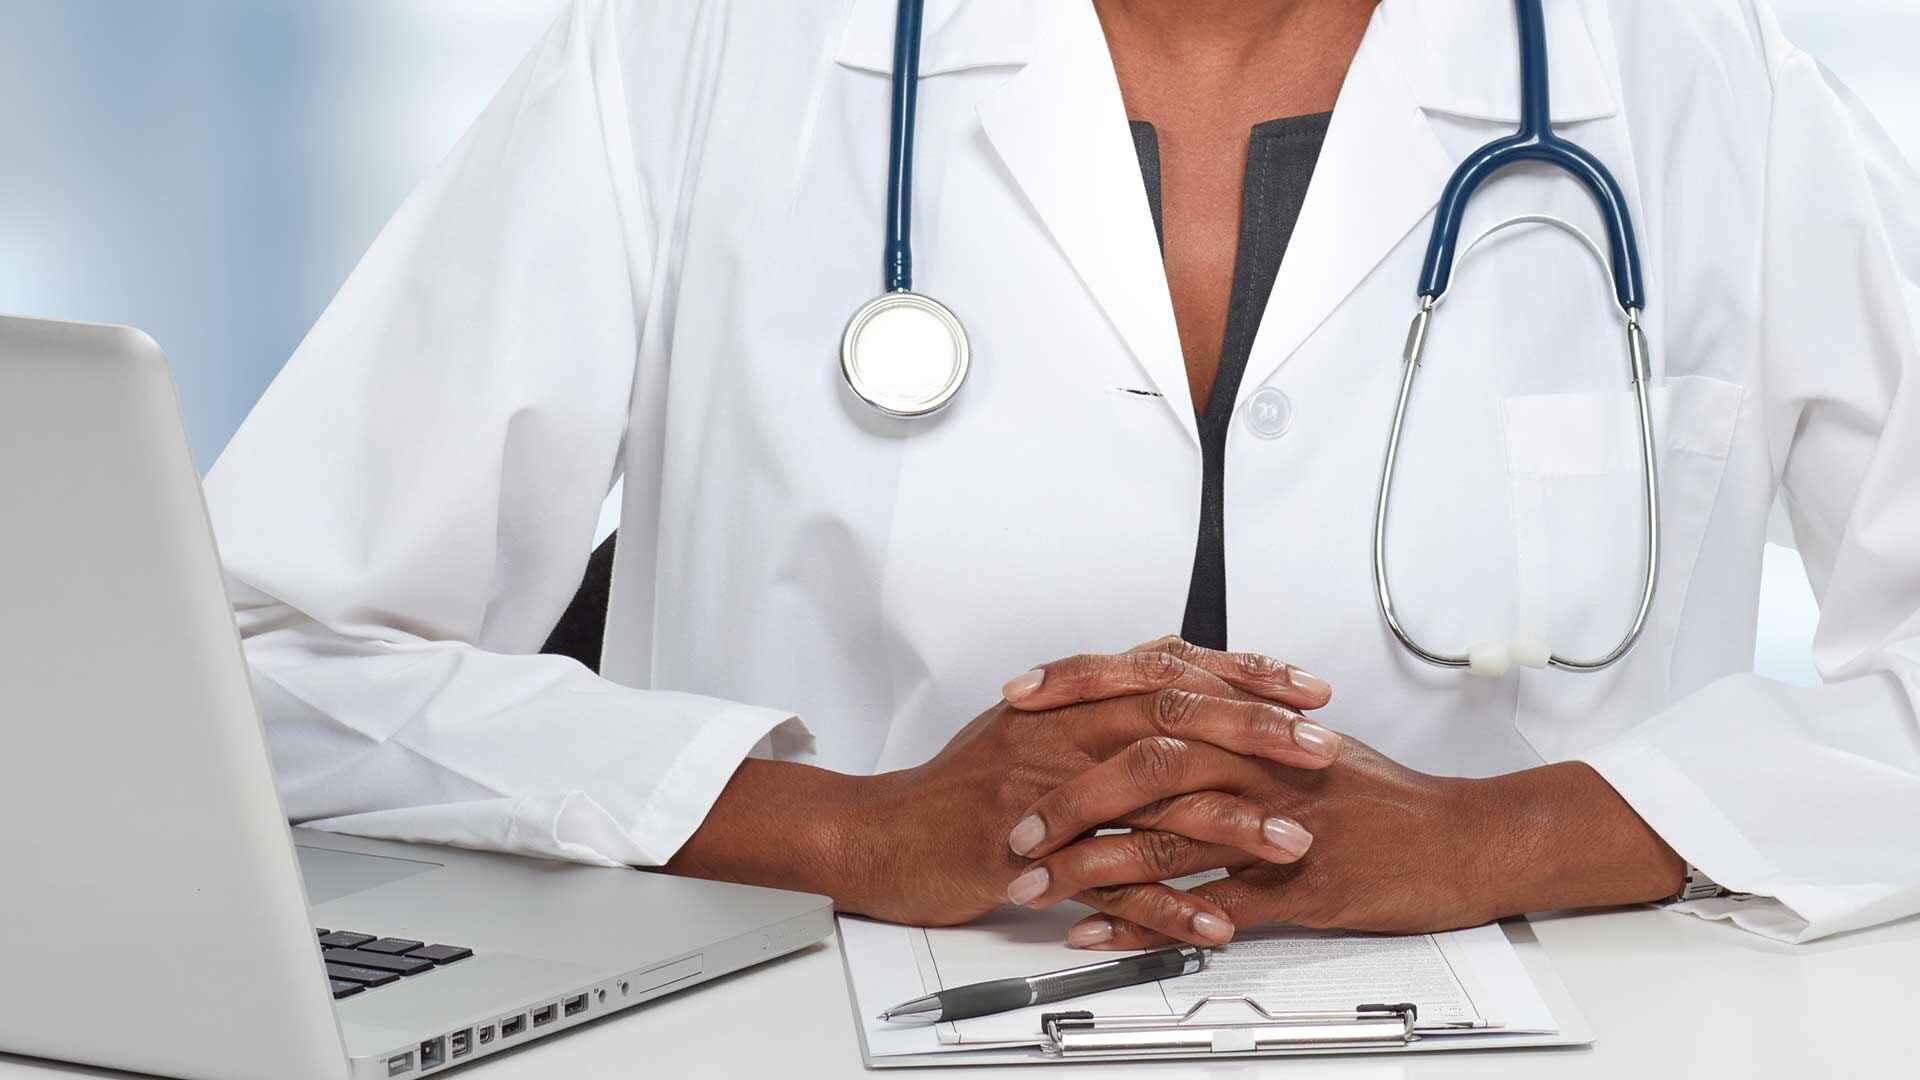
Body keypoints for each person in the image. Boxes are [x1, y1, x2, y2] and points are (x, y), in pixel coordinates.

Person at [203, 0, 1920, 949]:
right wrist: (846, 827)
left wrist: (1508, 838)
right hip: (792, 1036)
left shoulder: (1711, 85)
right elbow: (249, 659)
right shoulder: (699, 57)